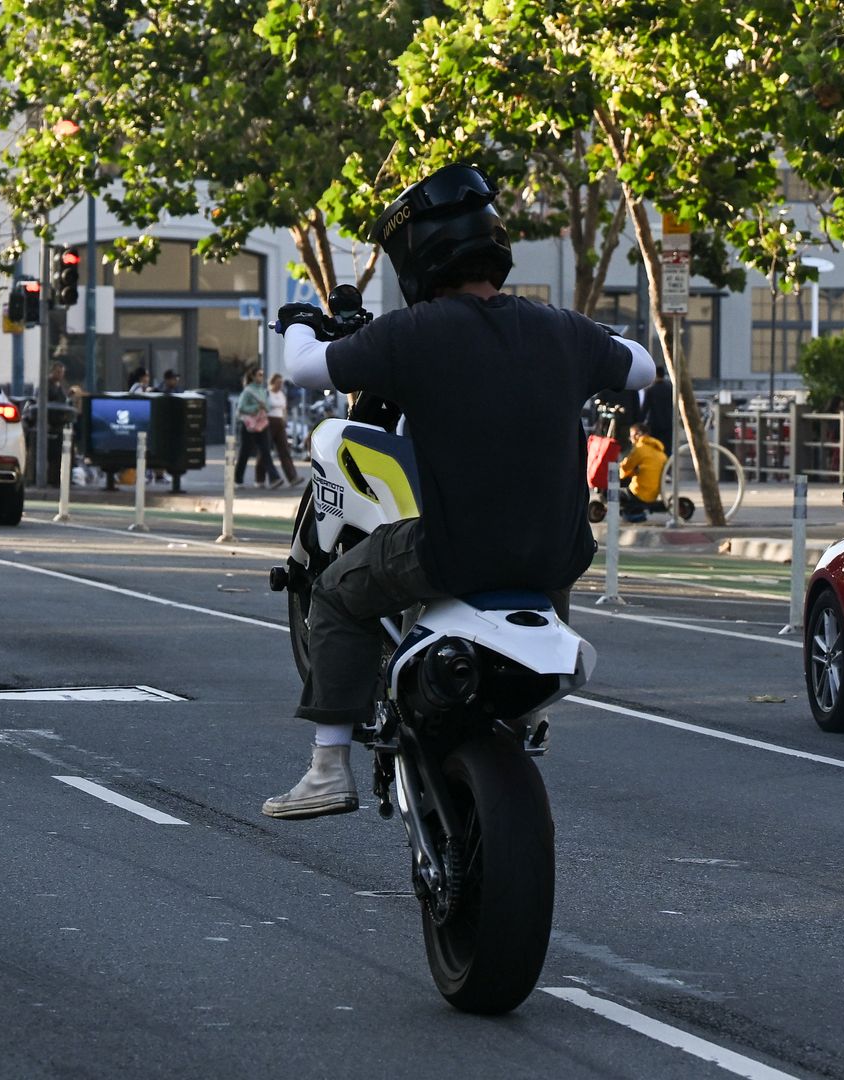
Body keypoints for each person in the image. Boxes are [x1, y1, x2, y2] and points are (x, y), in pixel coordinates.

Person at [265, 163, 652, 819]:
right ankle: (523, 719)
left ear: (419, 258)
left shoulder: (417, 333)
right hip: (558, 557)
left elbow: (303, 369)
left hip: (455, 552)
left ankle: (328, 767)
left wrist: (301, 318)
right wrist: (584, 343)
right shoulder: (557, 326)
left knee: (336, 593)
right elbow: (639, 366)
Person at [618, 420, 668, 523]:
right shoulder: (660, 451)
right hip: (654, 494)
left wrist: (620, 470)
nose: (631, 439)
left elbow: (625, 469)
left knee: (618, 493)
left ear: (637, 435)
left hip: (639, 492)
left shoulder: (639, 449)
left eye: (631, 436)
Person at [233, 365, 275, 488]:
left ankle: (274, 478)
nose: (261, 377)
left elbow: (267, 407)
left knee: (265, 451)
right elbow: (241, 408)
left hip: (262, 424)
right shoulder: (247, 391)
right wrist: (256, 407)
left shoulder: (262, 390)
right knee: (244, 453)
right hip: (249, 426)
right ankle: (238, 479)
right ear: (253, 376)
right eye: (259, 375)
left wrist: (264, 406)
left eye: (262, 375)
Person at [265, 372, 300, 488]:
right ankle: (260, 478)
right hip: (269, 422)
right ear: (273, 382)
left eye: (281, 383)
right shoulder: (267, 393)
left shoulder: (281, 394)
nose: (280, 385)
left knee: (284, 450)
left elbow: (284, 409)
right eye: (278, 383)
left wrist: (285, 421)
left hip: (279, 422)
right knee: (265, 451)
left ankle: (293, 477)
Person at [640, 363, 675, 448]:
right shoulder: (670, 389)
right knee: (667, 447)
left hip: (654, 423)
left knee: (654, 446)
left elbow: (645, 408)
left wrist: (640, 421)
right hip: (668, 422)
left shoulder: (650, 390)